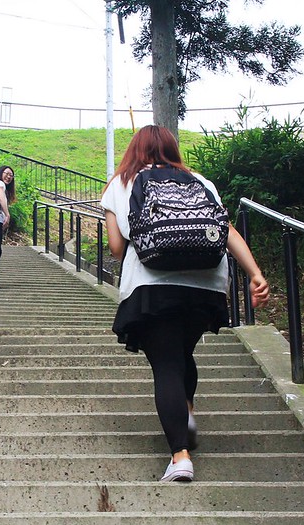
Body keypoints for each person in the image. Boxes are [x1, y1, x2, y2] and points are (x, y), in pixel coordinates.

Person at [100, 125, 269, 482]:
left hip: (153, 284)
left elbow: (116, 248)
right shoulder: (200, 181)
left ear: (134, 149)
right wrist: (255, 273)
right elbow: (226, 230)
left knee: (166, 364)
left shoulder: (121, 182)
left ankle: (180, 457)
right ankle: (187, 410)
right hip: (205, 286)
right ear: (172, 149)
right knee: (181, 353)